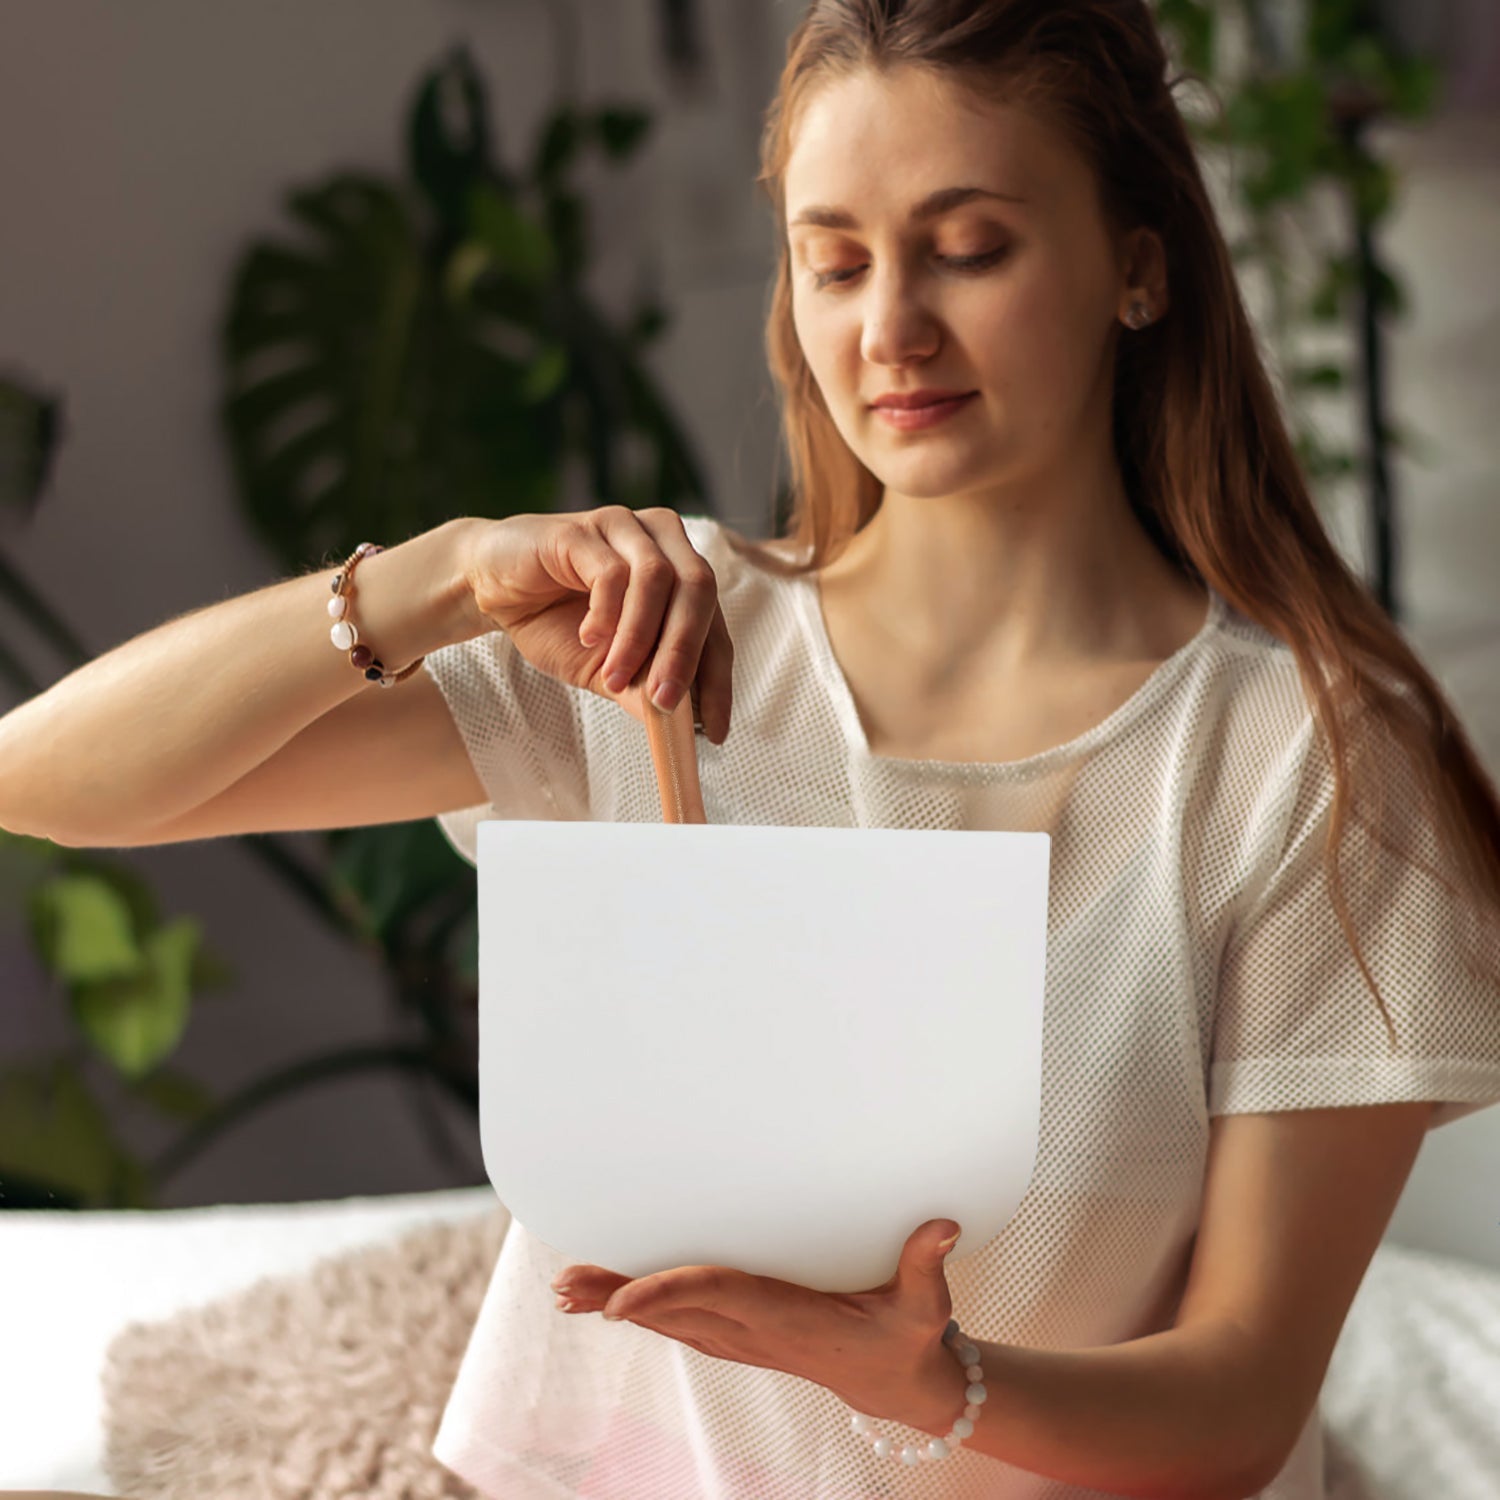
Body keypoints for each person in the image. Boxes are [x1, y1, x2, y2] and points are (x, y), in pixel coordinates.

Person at [2, 1, 1499, 1497]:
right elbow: (45, 782)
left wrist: (942, 1387)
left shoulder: (1310, 763)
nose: (891, 327)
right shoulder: (647, 651)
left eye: (969, 247)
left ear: (1139, 264)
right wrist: (440, 572)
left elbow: (1239, 1403)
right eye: (834, 261)